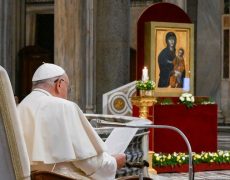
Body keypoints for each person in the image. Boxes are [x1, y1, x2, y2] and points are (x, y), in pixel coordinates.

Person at [17, 63, 126, 180]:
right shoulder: (64, 107)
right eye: (68, 89)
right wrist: (114, 162)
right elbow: (90, 164)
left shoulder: (20, 107)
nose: (67, 94)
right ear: (59, 84)